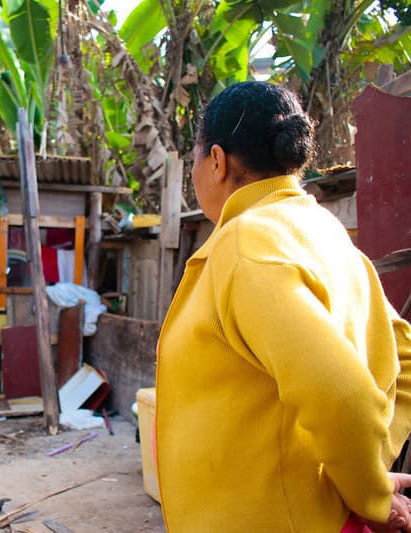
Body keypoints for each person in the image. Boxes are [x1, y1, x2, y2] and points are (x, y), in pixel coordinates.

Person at [155, 81, 411, 532]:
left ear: (216, 161)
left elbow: (341, 394)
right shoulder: (326, 233)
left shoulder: (246, 242)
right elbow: (401, 351)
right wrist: (368, 467)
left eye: (195, 158)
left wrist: (370, 492)